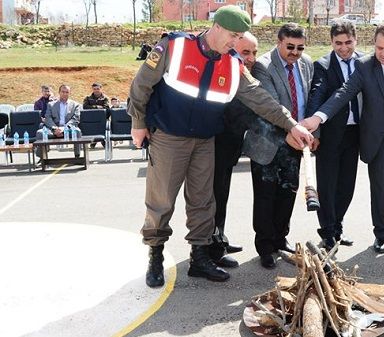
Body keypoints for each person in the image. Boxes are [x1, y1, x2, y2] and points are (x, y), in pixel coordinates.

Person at [128, 6, 313, 287]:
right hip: (169, 137)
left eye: (239, 37)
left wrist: (291, 124)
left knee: (204, 201)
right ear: (216, 27)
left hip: (204, 140)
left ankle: (200, 257)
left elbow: (260, 98)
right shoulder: (174, 46)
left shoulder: (232, 63)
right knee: (162, 200)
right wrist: (138, 122)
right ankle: (156, 254)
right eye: (232, 35)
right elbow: (141, 85)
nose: (235, 42)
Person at [303, 24, 384, 254]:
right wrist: (318, 117)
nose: (383, 53)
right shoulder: (365, 65)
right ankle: (381, 234)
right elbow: (343, 92)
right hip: (380, 134)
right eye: (378, 48)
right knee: (380, 186)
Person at [250, 23, 314, 269]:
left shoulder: (306, 63)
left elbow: (307, 101)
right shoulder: (263, 66)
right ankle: (265, 247)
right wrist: (292, 130)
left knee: (288, 192)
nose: (295, 52)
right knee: (266, 196)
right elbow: (270, 106)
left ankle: (280, 239)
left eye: (300, 48)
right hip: (267, 142)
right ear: (279, 42)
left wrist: (309, 130)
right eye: (290, 47)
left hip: (295, 142)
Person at [306, 20, 363, 251]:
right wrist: (315, 130)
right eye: (338, 43)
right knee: (327, 186)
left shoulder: (365, 63)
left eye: (348, 42)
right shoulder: (323, 65)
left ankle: (337, 227)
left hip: (355, 133)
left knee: (346, 185)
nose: (343, 47)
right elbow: (317, 96)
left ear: (355, 40)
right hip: (330, 135)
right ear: (331, 42)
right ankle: (327, 232)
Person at [209, 32, 260, 270]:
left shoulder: (247, 73)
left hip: (230, 146)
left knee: (223, 195)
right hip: (214, 145)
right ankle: (212, 250)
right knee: (212, 198)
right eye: (245, 52)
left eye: (254, 52)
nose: (250, 58)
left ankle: (220, 238)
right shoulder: (223, 70)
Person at [37, 85, 82, 158]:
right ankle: (42, 158)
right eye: (63, 92)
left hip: (69, 128)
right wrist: (54, 128)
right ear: (59, 92)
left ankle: (77, 156)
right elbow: (48, 118)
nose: (64, 94)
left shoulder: (75, 105)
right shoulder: (51, 104)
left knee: (77, 131)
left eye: (67, 92)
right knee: (40, 133)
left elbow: (75, 119)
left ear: (69, 93)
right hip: (53, 128)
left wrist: (63, 129)